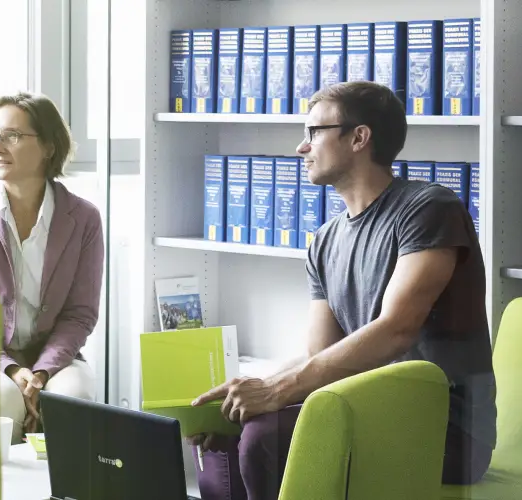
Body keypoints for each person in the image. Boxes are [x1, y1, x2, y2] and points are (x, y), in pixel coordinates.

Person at [188, 81, 496, 500]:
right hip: (362, 408)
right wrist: (249, 388)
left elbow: (396, 329)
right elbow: (318, 355)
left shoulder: (429, 209)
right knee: (225, 430)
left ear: (358, 137)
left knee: (265, 437)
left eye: (313, 132)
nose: (302, 147)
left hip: (444, 429)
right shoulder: (324, 241)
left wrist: (276, 392)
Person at [0, 91, 105, 443]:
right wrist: (11, 369)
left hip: (55, 359)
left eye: (12, 136)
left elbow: (79, 314)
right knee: (2, 400)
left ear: (48, 146)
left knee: (73, 399)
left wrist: (41, 372)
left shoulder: (84, 218)